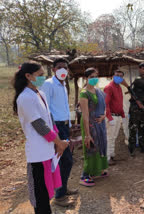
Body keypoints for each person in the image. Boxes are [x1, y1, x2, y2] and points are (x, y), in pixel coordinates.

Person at [13, 62, 69, 213]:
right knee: (40, 196)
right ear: (28, 76)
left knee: (46, 193)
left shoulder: (39, 93)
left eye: (44, 74)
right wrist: (58, 142)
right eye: (40, 75)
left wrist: (57, 141)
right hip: (37, 154)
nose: (43, 77)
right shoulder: (25, 97)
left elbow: (49, 120)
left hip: (48, 150)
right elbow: (39, 125)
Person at [40, 58, 77, 206]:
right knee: (65, 160)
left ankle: (63, 189)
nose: (63, 70)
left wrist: (68, 124)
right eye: (60, 67)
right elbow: (45, 110)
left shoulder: (63, 85)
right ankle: (59, 196)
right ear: (54, 69)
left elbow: (63, 107)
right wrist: (54, 131)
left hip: (64, 126)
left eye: (65, 68)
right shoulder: (48, 84)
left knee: (64, 161)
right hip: (56, 127)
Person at [79, 68, 108, 186]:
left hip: (100, 123)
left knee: (101, 144)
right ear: (86, 78)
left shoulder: (99, 91)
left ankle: (98, 169)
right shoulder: (84, 93)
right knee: (91, 147)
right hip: (89, 124)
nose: (94, 79)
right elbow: (85, 115)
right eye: (91, 77)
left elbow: (105, 107)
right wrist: (87, 135)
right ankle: (85, 175)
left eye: (96, 76)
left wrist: (103, 116)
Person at [104, 70, 129, 165]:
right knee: (109, 137)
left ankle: (111, 155)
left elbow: (119, 103)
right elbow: (105, 104)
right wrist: (109, 117)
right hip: (112, 116)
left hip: (117, 115)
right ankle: (107, 158)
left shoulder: (118, 87)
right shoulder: (109, 87)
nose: (118, 77)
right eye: (116, 75)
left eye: (120, 76)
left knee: (114, 137)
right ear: (112, 76)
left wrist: (122, 115)